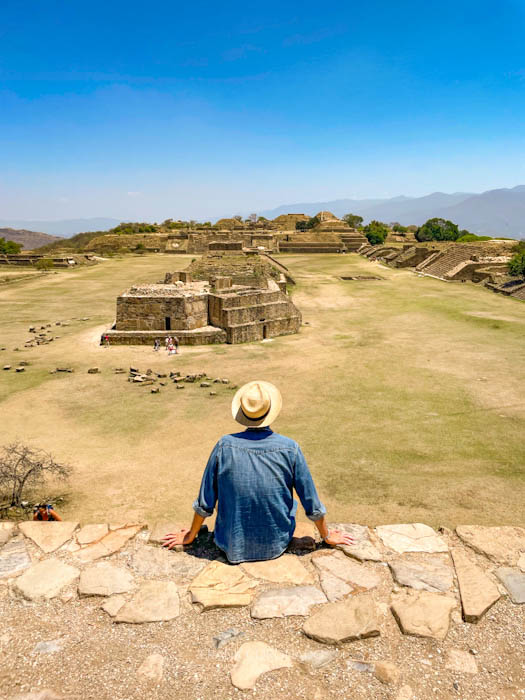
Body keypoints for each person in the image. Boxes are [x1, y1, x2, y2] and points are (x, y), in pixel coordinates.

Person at [163, 380, 355, 563]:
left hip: (231, 542)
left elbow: (205, 502)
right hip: (276, 542)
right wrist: (327, 536)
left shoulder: (224, 446)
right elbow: (311, 502)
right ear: (271, 411)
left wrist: (190, 535)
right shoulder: (290, 448)